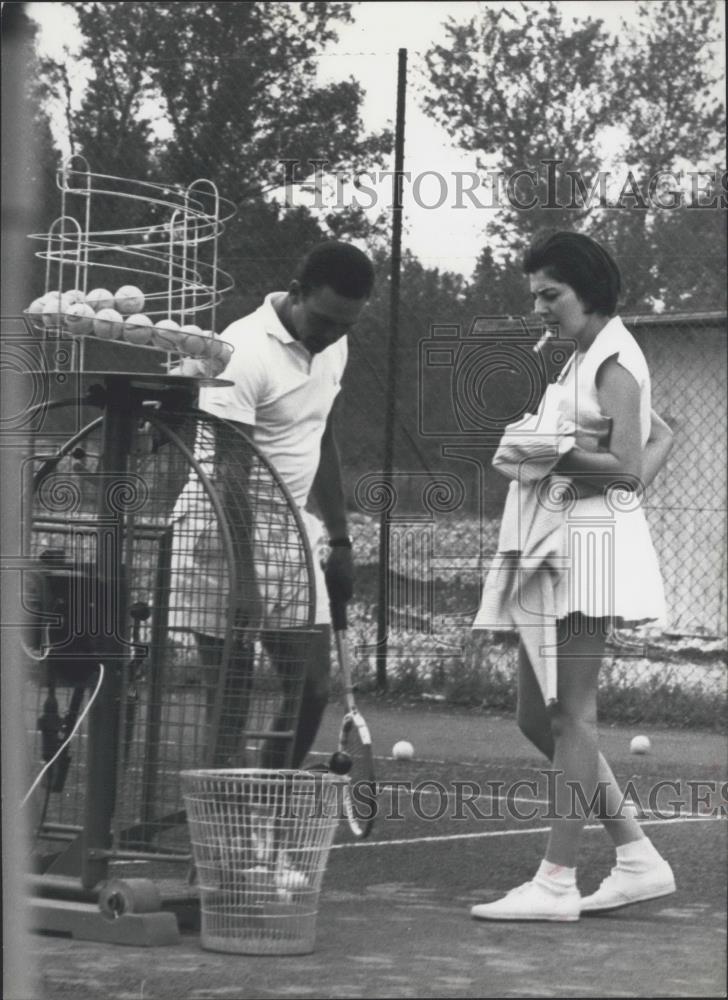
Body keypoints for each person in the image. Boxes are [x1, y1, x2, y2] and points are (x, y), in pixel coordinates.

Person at [471, 230, 676, 922]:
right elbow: (656, 437)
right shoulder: (585, 357)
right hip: (554, 542)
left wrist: (543, 453)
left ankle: (556, 883)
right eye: (533, 295)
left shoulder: (615, 355)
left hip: (589, 547)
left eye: (549, 294)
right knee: (538, 716)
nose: (539, 307)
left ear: (586, 289)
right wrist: (552, 450)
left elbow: (620, 473)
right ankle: (638, 858)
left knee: (573, 714)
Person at [172, 240, 375, 769]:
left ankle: (265, 805)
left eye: (345, 325)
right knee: (231, 698)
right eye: (326, 320)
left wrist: (340, 539)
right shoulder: (240, 351)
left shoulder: (334, 342)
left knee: (310, 691)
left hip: (290, 528)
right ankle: (221, 840)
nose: (332, 335)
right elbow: (228, 473)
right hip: (219, 529)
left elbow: (321, 436)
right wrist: (246, 582)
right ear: (297, 293)